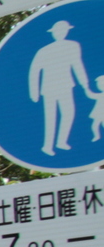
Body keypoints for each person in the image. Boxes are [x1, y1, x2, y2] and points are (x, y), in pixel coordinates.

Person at [29, 20, 91, 156]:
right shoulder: (44, 50)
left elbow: (77, 66)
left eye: (64, 30)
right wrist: (34, 91)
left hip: (66, 85)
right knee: (50, 117)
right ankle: (47, 146)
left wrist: (85, 85)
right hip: (48, 88)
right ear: (54, 33)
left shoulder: (73, 46)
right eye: (58, 31)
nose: (61, 33)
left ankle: (61, 141)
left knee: (69, 113)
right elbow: (34, 70)